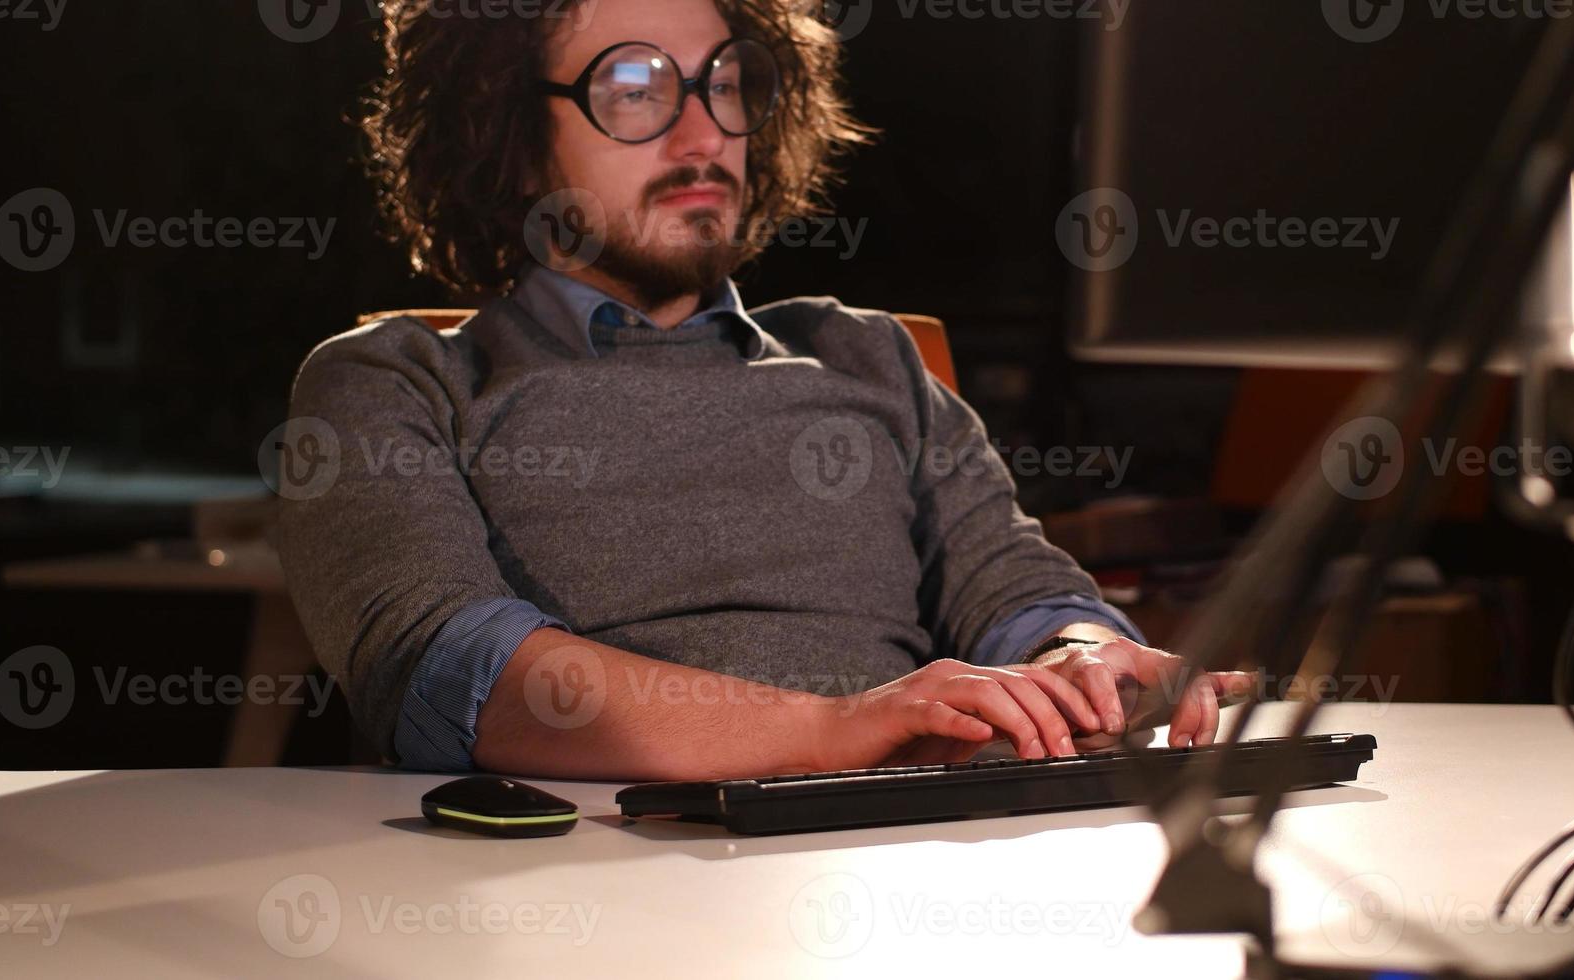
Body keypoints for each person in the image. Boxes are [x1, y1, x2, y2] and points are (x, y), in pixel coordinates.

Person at [277, 0, 1252, 781]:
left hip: (916, 853)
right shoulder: (397, 381)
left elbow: (1020, 596)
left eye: (725, 82)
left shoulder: (867, 358)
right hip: (599, 875)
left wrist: (1076, 660)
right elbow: (453, 672)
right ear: (506, 130)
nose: (703, 133)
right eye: (632, 89)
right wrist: (833, 729)